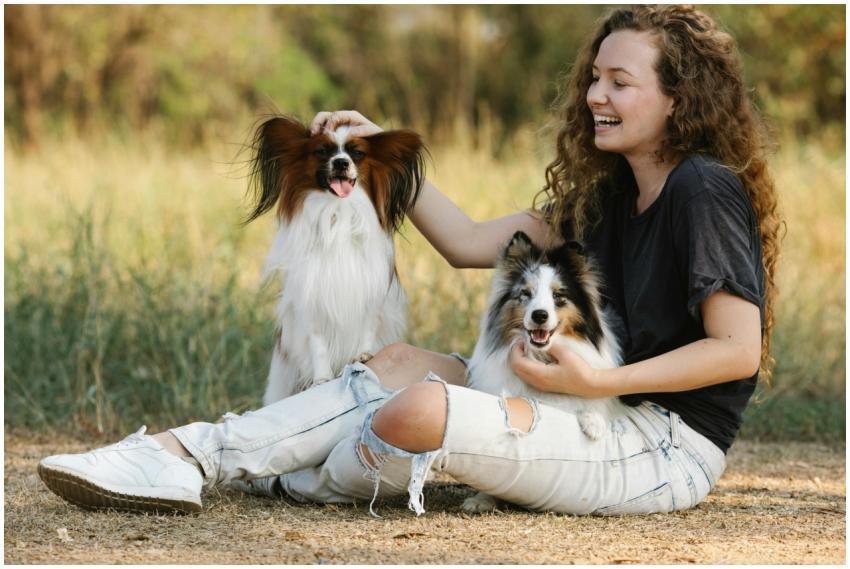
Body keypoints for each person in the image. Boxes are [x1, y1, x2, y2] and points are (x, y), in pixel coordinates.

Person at [38, 5, 780, 517]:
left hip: (657, 444)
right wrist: (374, 143)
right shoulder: (606, 199)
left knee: (419, 407)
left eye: (620, 82)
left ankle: (298, 481)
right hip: (580, 402)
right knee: (394, 365)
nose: (594, 95)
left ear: (679, 101)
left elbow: (736, 348)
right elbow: (462, 242)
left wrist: (601, 378)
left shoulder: (702, 190)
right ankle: (183, 453)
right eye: (595, 77)